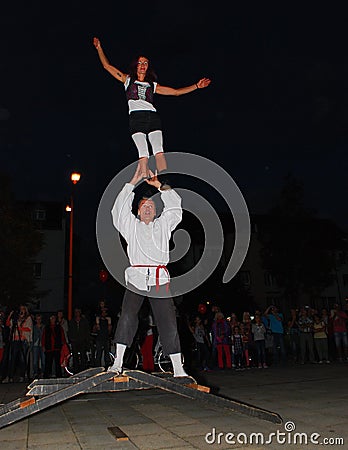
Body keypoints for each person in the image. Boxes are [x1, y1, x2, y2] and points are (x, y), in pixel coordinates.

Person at [107, 164, 187, 377]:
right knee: (127, 317)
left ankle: (178, 368)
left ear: (156, 211)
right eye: (144, 205)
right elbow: (117, 210)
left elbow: (176, 207)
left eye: (151, 205)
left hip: (159, 279)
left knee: (167, 321)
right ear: (138, 211)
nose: (148, 208)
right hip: (137, 278)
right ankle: (118, 362)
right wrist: (133, 181)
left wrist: (160, 186)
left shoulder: (163, 225)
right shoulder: (130, 226)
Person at [93, 37, 211, 177]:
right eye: (140, 62)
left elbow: (176, 92)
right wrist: (99, 48)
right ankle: (145, 178)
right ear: (136, 66)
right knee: (143, 152)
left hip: (152, 117)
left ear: (148, 67)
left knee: (158, 149)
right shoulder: (127, 80)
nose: (143, 65)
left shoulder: (152, 85)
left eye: (146, 63)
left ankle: (164, 180)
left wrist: (197, 86)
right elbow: (107, 66)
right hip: (136, 118)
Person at [42, 314, 66, 378]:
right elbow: (44, 337)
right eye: (51, 318)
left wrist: (63, 344)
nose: (53, 320)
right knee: (48, 363)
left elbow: (62, 336)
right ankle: (46, 375)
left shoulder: (58, 327)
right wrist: (43, 346)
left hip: (56, 347)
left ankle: (59, 375)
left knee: (57, 363)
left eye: (54, 318)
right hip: (49, 348)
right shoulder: (46, 328)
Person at [68, 308, 91, 374]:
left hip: (82, 341)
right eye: (76, 312)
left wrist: (87, 340)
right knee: (75, 356)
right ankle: (76, 370)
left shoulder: (84, 321)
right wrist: (71, 339)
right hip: (74, 341)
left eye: (78, 312)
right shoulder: (72, 321)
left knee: (83, 355)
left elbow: (87, 331)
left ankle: (83, 370)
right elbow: (69, 331)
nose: (77, 313)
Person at [32, 313, 45, 378]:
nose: (38, 320)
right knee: (35, 361)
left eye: (40, 319)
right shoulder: (34, 327)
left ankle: (43, 372)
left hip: (42, 345)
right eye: (37, 319)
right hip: (35, 345)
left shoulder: (44, 327)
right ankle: (35, 373)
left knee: (43, 360)